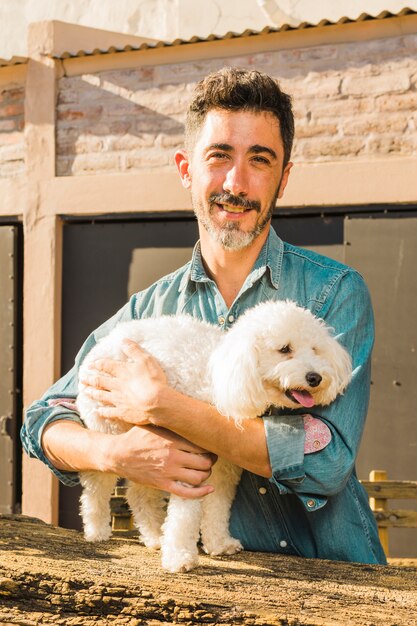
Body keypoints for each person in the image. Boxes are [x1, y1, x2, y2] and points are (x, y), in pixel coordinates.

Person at [21, 67, 386, 565]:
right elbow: (44, 418)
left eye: (260, 160)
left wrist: (163, 406)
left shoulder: (334, 293)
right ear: (185, 168)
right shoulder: (150, 309)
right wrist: (115, 455)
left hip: (337, 580)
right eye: (219, 156)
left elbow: (326, 461)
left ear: (284, 177)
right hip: (203, 586)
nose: (236, 183)